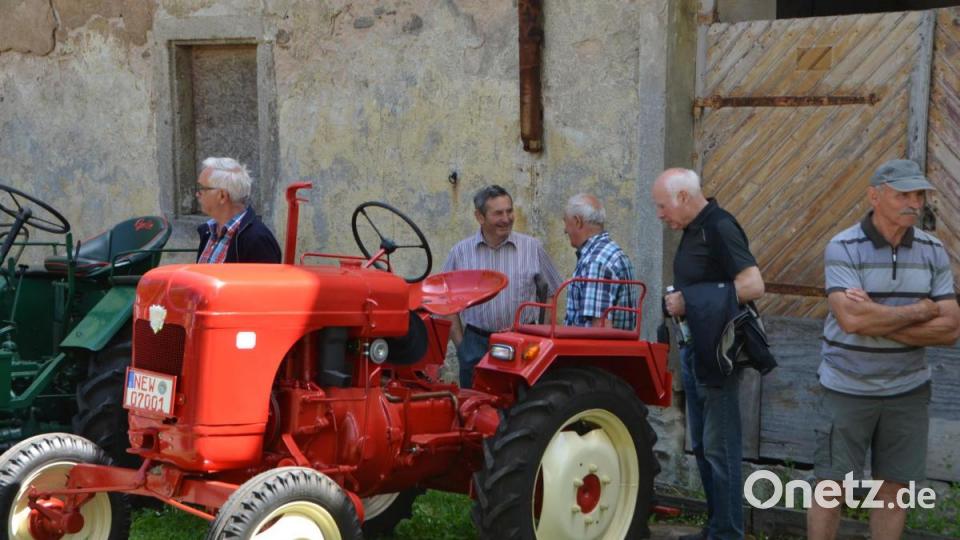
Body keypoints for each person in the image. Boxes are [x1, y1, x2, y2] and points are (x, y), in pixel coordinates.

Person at [807, 159, 960, 540]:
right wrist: (920, 311)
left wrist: (878, 314)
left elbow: (951, 329)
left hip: (906, 390)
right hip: (846, 387)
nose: (914, 202)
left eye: (919, 194)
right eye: (903, 194)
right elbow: (851, 321)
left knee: (894, 488)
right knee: (831, 486)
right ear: (875, 196)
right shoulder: (843, 247)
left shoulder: (933, 250)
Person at [652, 168, 764, 540]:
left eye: (662, 205)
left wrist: (690, 299)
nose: (660, 214)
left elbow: (752, 284)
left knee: (721, 449)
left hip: (718, 355)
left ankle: (729, 533)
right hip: (695, 350)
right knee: (702, 446)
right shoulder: (692, 229)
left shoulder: (720, 226)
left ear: (683, 197)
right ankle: (717, 528)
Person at [442, 185, 561, 388]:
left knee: (523, 409)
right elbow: (445, 301)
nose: (506, 219)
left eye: (509, 211)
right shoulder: (460, 253)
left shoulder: (532, 248)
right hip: (476, 344)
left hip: (523, 343)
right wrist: (463, 347)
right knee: (475, 410)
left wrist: (542, 337)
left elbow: (553, 292)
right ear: (479, 216)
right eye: (498, 213)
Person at [562, 193, 637, 330]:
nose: (565, 230)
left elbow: (599, 329)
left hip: (595, 351)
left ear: (578, 221)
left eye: (566, 222)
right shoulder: (611, 252)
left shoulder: (596, 262)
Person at [195, 157, 281, 264]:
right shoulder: (209, 231)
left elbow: (265, 280)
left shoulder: (256, 239)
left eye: (202, 188)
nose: (197, 194)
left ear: (222, 196)